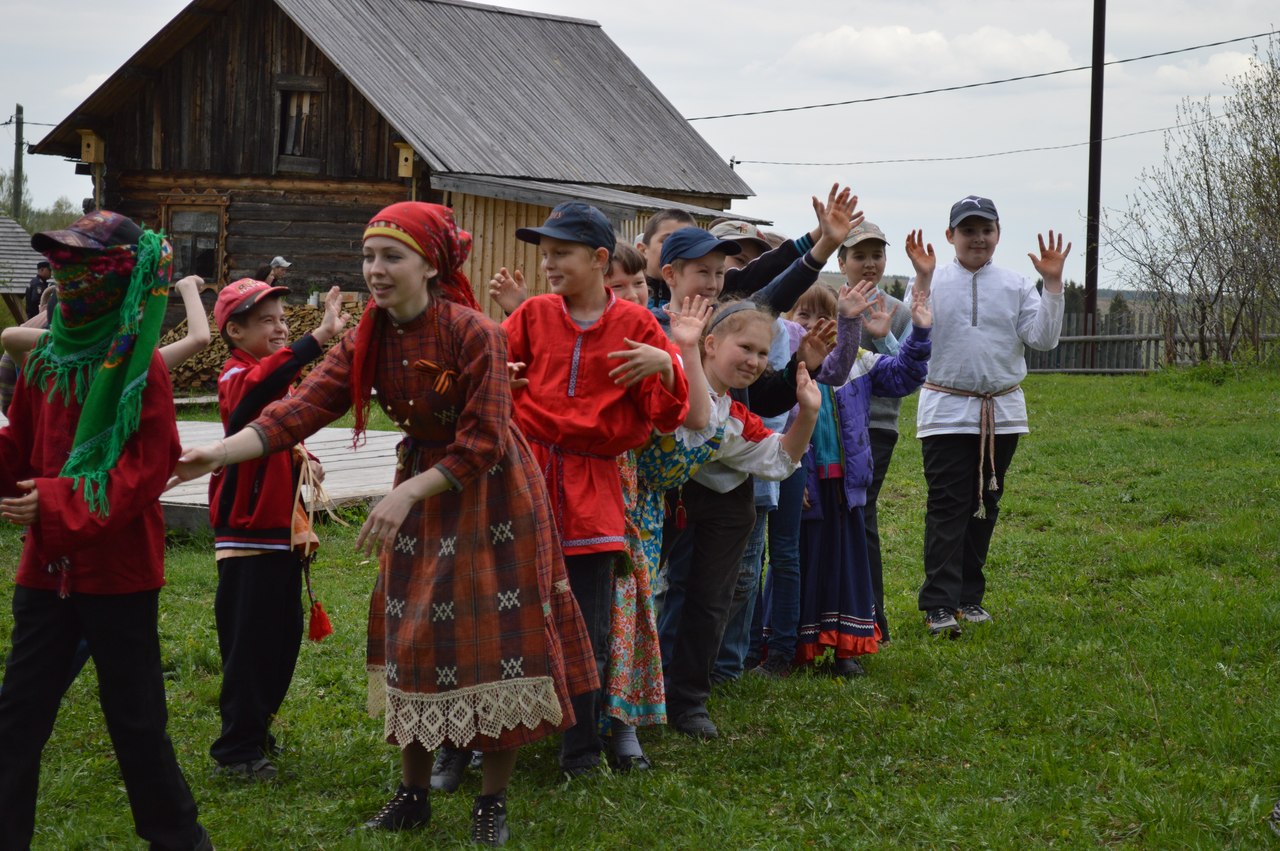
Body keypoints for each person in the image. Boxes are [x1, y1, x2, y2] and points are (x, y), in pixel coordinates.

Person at [171, 202, 597, 846]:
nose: (375, 269)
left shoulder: (475, 331)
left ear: (430, 264)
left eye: (391, 256)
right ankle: (413, 793)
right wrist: (218, 453)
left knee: (503, 638)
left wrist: (404, 496)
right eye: (369, 255)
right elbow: (301, 408)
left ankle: (492, 800)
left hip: (493, 495)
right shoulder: (370, 334)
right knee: (413, 634)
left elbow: (483, 442)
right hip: (422, 489)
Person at [0, 210, 212, 850]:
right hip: (45, 572)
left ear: (120, 278)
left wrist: (60, 504)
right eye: (60, 265)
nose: (68, 279)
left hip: (118, 574)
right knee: (16, 718)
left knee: (136, 720)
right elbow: (19, 447)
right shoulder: (47, 360)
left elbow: (146, 472)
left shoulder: (141, 369)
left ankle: (179, 840)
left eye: (83, 266)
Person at [501, 201, 690, 779]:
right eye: (546, 252)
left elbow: (664, 414)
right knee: (508, 616)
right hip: (526, 478)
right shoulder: (531, 316)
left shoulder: (635, 326)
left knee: (586, 624)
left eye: (561, 252)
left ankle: (580, 749)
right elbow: (491, 375)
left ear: (598, 258)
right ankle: (479, 744)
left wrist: (667, 365)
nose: (548, 263)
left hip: (593, 487)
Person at [205, 278, 347, 780]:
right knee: (248, 644)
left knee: (281, 639)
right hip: (247, 533)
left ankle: (256, 729)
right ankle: (236, 750)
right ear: (234, 331)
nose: (280, 326)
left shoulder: (272, 378)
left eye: (283, 318)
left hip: (280, 533)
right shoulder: (236, 376)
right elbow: (262, 392)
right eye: (266, 320)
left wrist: (304, 458)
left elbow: (287, 418)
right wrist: (317, 338)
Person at [915, 196, 1070, 635]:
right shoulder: (931, 279)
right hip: (946, 412)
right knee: (948, 504)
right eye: (968, 230)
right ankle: (939, 604)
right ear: (951, 236)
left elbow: (1042, 339)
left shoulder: (1018, 284)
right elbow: (914, 331)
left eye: (986, 229)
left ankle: (969, 597)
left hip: (1001, 413)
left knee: (985, 504)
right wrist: (922, 279)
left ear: (998, 234)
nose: (977, 238)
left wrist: (1052, 286)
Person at [795, 275, 933, 676]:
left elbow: (906, 376)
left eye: (827, 316)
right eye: (805, 314)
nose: (815, 324)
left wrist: (920, 331)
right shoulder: (785, 363)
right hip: (804, 484)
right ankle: (794, 645)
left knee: (848, 564)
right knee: (802, 561)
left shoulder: (858, 359)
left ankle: (845, 648)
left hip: (846, 484)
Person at [840, 222, 915, 643]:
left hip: (876, 427)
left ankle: (873, 622)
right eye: (859, 256)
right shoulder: (828, 304)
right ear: (842, 261)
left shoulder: (898, 312)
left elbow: (908, 374)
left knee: (861, 517)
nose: (869, 264)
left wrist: (884, 338)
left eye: (876, 255)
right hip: (831, 427)